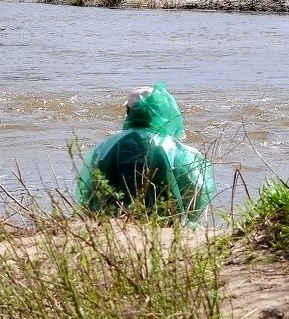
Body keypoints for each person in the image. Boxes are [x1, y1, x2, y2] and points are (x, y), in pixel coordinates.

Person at [75, 83, 214, 223]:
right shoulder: (179, 151)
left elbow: (88, 192)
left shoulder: (104, 148)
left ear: (128, 111)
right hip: (167, 223)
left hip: (112, 221)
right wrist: (186, 219)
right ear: (163, 113)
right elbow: (199, 190)